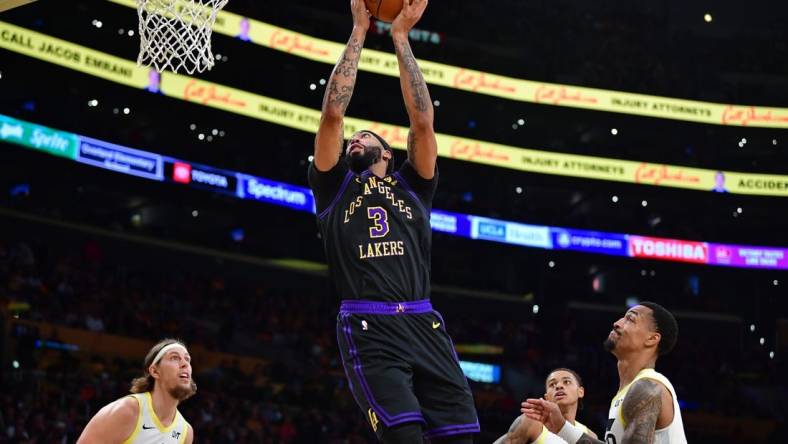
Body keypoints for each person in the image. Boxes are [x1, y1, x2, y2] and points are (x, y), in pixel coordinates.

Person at [308, 0, 479, 442]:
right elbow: (332, 114)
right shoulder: (334, 188)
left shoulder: (414, 187)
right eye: (352, 138)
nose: (354, 138)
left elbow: (422, 123)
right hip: (369, 323)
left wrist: (400, 36)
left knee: (460, 436)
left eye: (366, 136)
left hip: (424, 320)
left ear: (388, 153)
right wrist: (359, 31)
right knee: (404, 437)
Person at [523, 302, 687, 444]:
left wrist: (563, 428)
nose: (617, 323)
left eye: (630, 319)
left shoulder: (647, 388)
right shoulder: (627, 392)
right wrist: (562, 427)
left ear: (652, 339)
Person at [77, 339, 195, 444]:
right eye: (175, 358)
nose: (185, 364)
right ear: (154, 371)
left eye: (187, 359)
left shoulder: (185, 432)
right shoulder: (127, 411)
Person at [495, 368, 597, 443]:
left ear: (580, 392)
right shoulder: (531, 421)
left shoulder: (589, 435)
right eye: (552, 384)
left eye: (567, 382)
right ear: (547, 397)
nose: (559, 386)